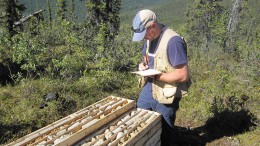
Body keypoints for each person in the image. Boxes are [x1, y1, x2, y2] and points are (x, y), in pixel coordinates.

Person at [131, 9, 190, 145]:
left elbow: (183, 75)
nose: (143, 37)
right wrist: (142, 65)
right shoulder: (149, 38)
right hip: (149, 88)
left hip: (167, 93)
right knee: (140, 117)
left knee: (165, 129)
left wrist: (157, 76)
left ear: (152, 25)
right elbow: (147, 59)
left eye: (144, 33)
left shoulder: (173, 41)